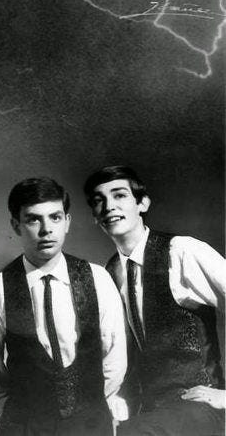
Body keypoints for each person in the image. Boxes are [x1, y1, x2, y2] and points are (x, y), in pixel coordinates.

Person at [0, 177, 127, 436]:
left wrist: (89, 409)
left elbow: (114, 356)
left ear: (67, 221)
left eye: (55, 218)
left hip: (90, 424)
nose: (46, 230)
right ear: (16, 225)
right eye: (33, 220)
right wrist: (22, 420)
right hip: (26, 427)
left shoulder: (97, 278)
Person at [83, 165, 225, 436]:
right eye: (99, 200)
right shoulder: (108, 275)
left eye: (119, 195)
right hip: (151, 414)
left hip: (199, 411)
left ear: (143, 203)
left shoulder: (181, 251)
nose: (109, 206)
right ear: (94, 216)